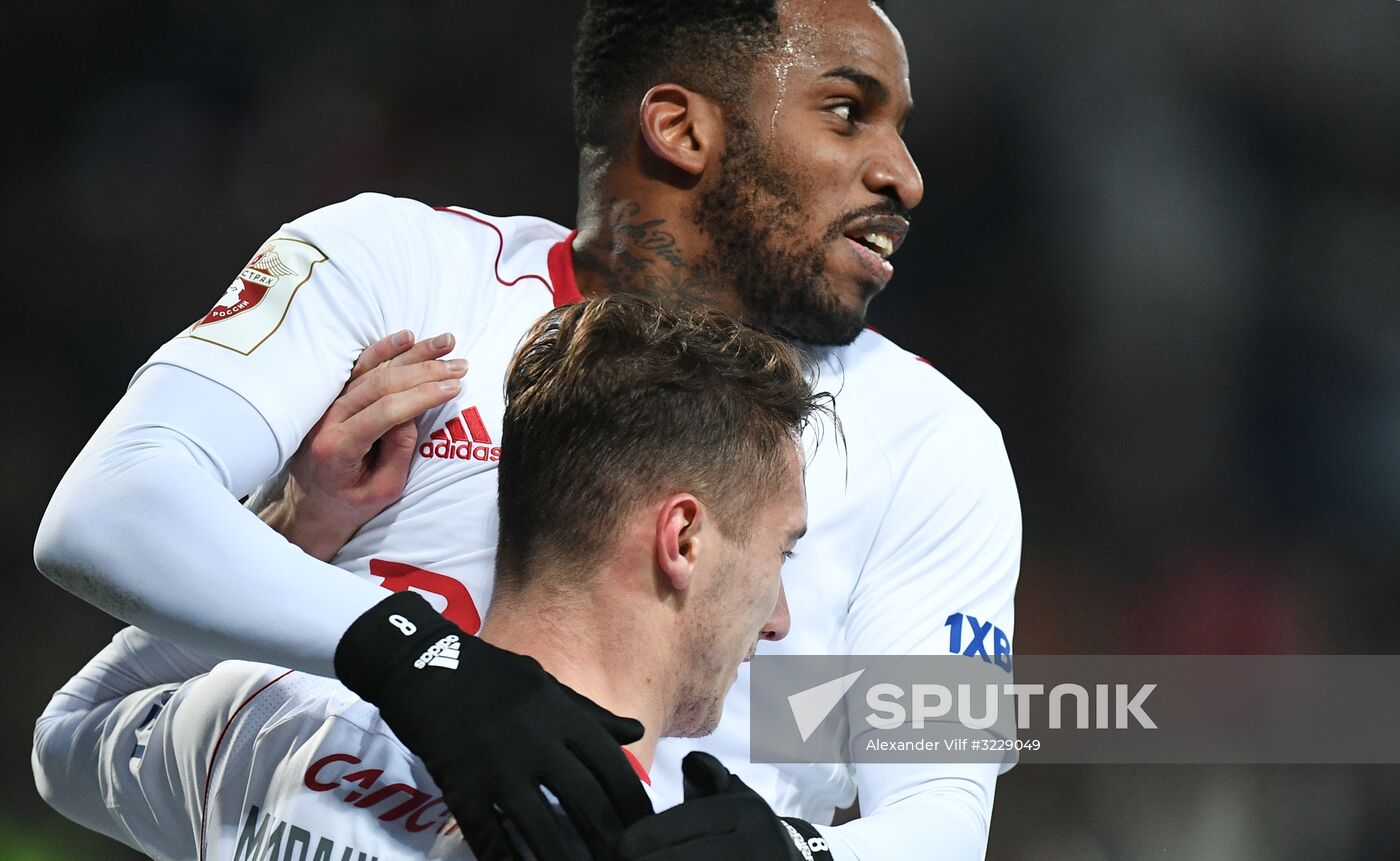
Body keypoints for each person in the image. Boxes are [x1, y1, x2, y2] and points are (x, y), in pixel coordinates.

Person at [34, 1, 1020, 858]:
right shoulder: (398, 270)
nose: (902, 176)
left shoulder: (937, 446)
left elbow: (941, 807)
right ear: (679, 129)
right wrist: (405, 656)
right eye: (847, 113)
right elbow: (106, 508)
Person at [33, 297, 821, 861]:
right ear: (680, 537)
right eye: (781, 553)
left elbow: (68, 732)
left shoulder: (263, 720)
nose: (779, 617)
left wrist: (300, 529)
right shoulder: (661, 834)